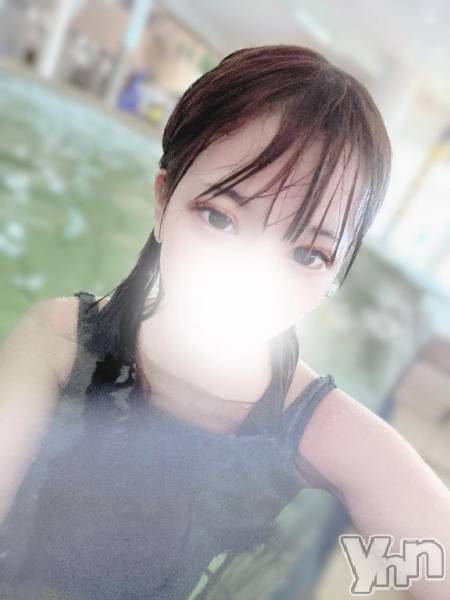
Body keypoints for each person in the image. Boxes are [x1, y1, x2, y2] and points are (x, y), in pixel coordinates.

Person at [0, 45, 449, 600]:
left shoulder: (321, 429)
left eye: (307, 254)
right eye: (220, 218)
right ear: (163, 201)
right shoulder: (61, 339)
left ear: (334, 277)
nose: (252, 277)